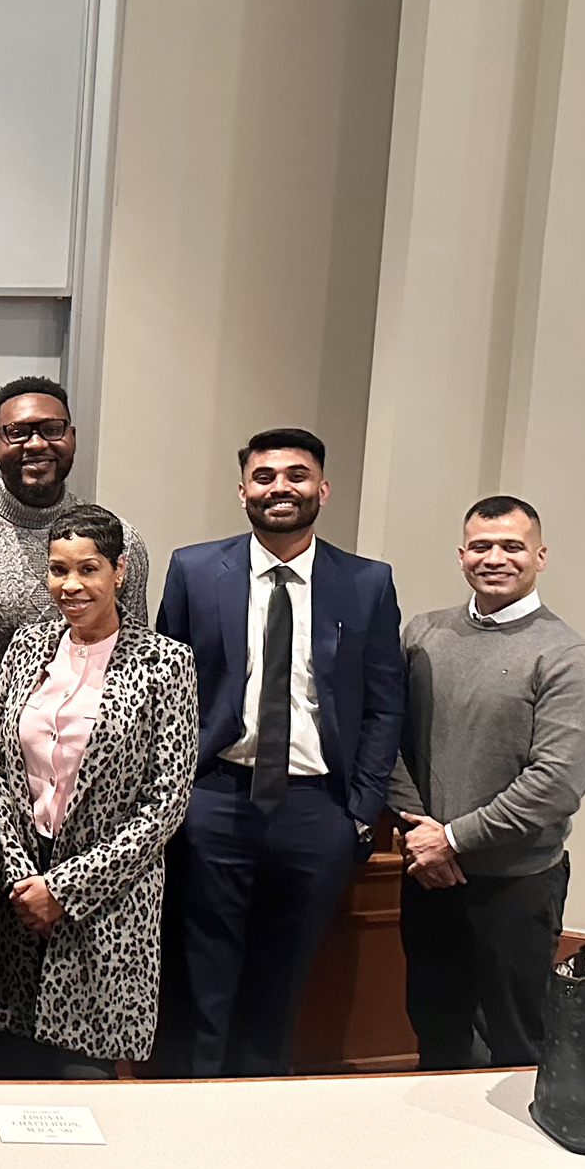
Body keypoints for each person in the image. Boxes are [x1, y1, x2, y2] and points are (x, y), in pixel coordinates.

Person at [155, 429, 403, 1077]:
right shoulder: (194, 570)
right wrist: (176, 792)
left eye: (296, 475)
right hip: (214, 798)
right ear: (243, 491)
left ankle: (261, 1117)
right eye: (264, 477)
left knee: (283, 979)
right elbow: (167, 691)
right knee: (202, 977)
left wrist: (361, 809)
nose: (279, 488)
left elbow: (384, 705)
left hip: (317, 808)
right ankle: (191, 1110)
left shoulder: (368, 584)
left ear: (323, 489)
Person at [388, 496, 585, 1068]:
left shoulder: (568, 658)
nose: (495, 558)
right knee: (435, 1034)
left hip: (516, 885)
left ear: (539, 555)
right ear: (462, 555)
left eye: (512, 546)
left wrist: (453, 839)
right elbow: (387, 738)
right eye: (482, 546)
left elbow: (554, 785)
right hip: (427, 876)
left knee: (517, 1045)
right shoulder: (422, 635)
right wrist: (423, 834)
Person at [0, 506, 197, 1077]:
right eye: (58, 569)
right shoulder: (27, 646)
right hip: (17, 891)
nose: (70, 585)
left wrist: (65, 887)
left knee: (87, 1077)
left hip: (109, 900)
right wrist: (23, 874)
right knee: (10, 1068)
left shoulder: (166, 663)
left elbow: (166, 801)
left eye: (88, 568)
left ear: (119, 570)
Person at [0, 377, 150, 721]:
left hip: (85, 757)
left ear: (72, 438)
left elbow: (133, 662)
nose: (36, 444)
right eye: (17, 432)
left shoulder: (120, 542)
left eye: (51, 429)